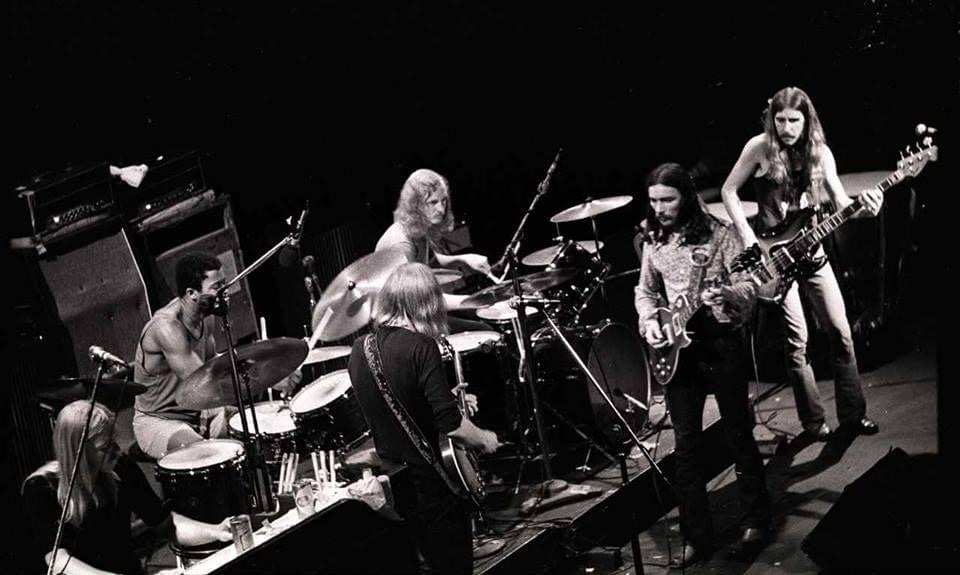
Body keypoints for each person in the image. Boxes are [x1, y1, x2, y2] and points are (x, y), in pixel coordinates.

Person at [720, 86, 882, 440]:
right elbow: (728, 190)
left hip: (813, 254)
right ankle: (813, 424)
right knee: (797, 344)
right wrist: (747, 234)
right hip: (775, 258)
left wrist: (868, 208)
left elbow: (841, 203)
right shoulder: (759, 147)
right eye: (780, 120)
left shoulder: (820, 153)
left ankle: (853, 417)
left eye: (794, 120)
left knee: (841, 333)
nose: (786, 128)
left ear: (808, 120)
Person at [635, 163, 771, 566]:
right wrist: (650, 322)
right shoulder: (654, 239)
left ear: (687, 197)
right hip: (678, 350)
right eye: (653, 200)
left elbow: (750, 285)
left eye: (668, 200)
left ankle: (756, 522)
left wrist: (726, 294)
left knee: (738, 434)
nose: (659, 208)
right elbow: (646, 291)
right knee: (686, 446)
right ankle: (697, 536)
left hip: (720, 340)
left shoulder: (720, 234)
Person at [348, 262, 500, 575]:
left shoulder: (359, 350)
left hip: (396, 485)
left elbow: (394, 405)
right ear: (428, 304)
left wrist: (446, 398)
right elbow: (452, 427)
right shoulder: (421, 346)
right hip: (434, 486)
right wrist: (485, 438)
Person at [22, 400, 232, 574]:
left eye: (113, 439)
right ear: (80, 452)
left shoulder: (121, 467)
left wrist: (216, 531)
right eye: (104, 446)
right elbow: (58, 559)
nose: (115, 449)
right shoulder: (41, 487)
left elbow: (165, 524)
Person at [377, 169, 494, 317]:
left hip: (418, 315)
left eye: (443, 201)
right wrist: (473, 301)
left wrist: (465, 259)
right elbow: (416, 300)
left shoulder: (418, 229)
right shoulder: (401, 243)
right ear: (415, 204)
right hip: (402, 322)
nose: (441, 209)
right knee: (482, 324)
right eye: (433, 202)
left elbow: (432, 261)